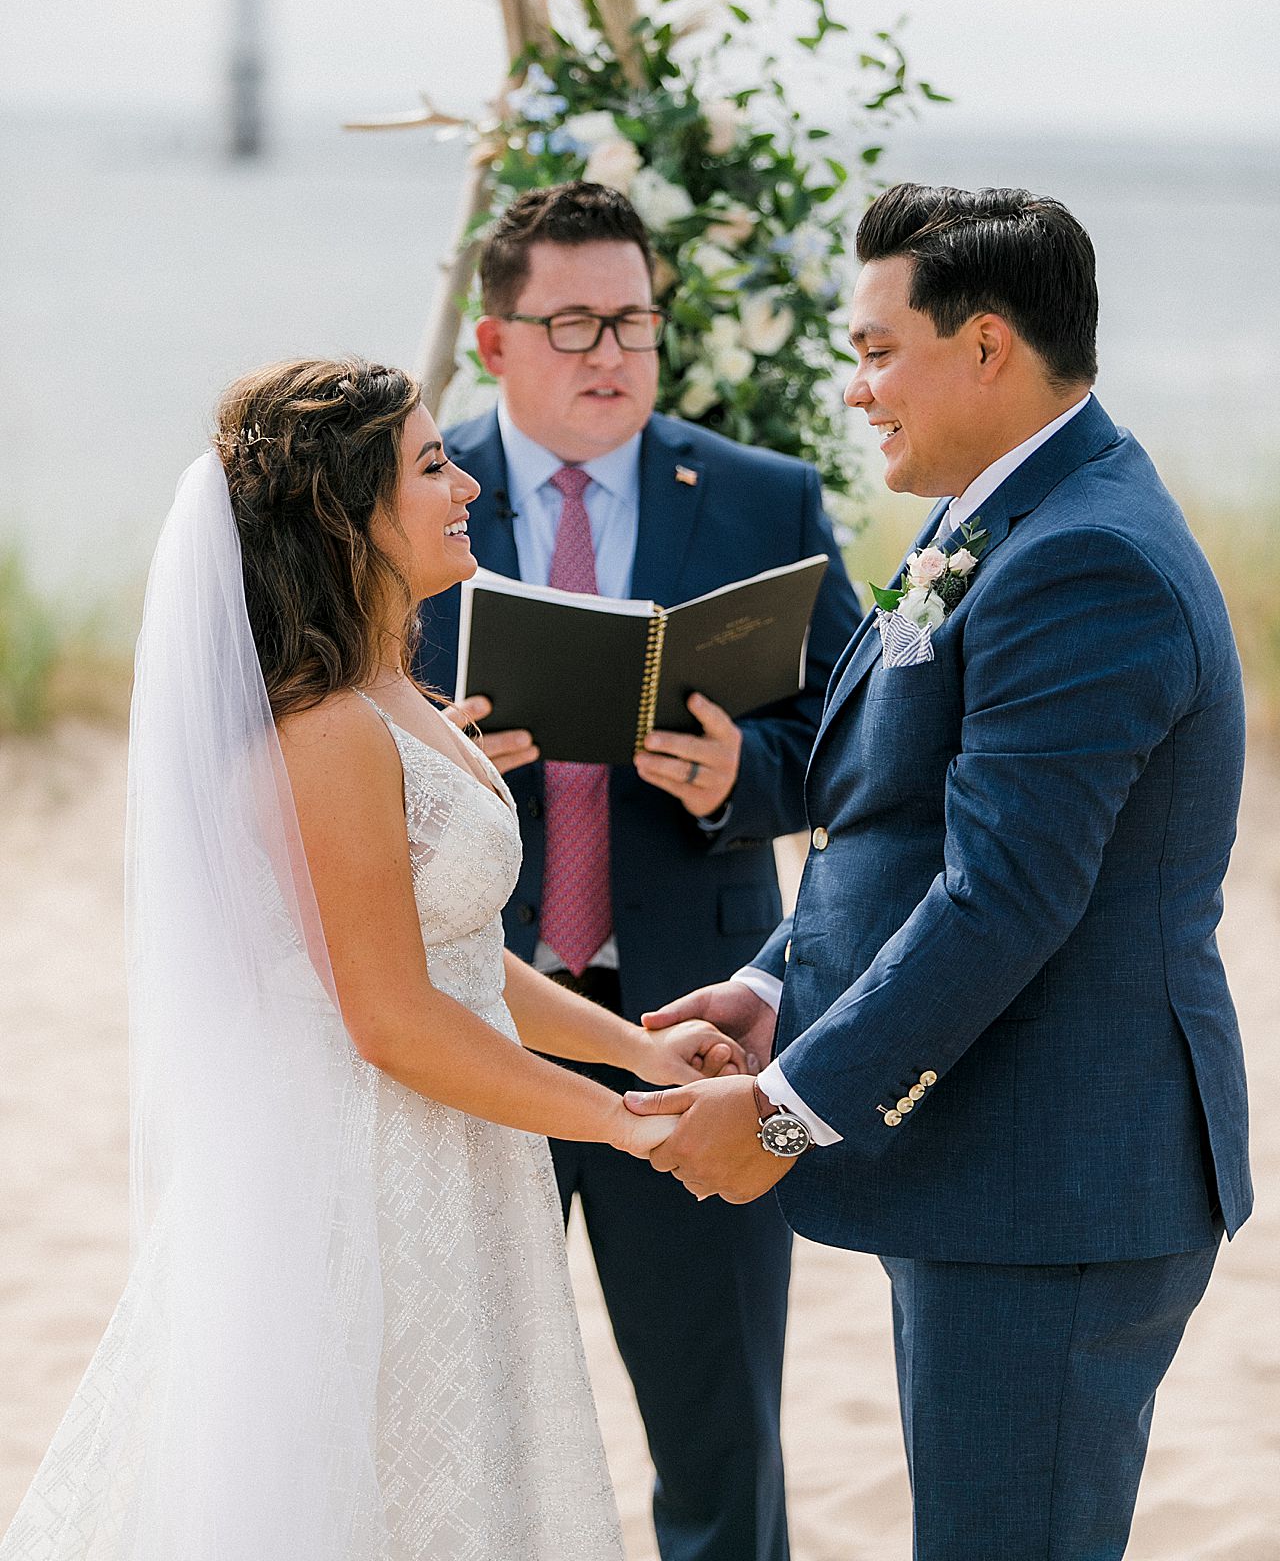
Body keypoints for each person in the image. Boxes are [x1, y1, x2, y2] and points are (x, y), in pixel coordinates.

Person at [0, 356, 751, 1561]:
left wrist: (634, 1046)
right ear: (347, 517)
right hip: (369, 1163)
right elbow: (391, 1017)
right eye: (429, 465)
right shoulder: (324, 727)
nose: (463, 484)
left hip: (456, 1144)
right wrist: (626, 1124)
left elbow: (449, 948)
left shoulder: (390, 685)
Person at [634, 184, 1252, 1560]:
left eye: (874, 350)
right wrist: (772, 986)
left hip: (1057, 1183)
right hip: (986, 1159)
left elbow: (1004, 896)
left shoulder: (1087, 557)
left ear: (985, 347)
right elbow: (893, 823)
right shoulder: (996, 513)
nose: (855, 390)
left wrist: (786, 1112)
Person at [415, 181, 862, 1561]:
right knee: (456, 1427)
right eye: (572, 322)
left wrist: (752, 779)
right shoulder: (417, 505)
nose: (610, 351)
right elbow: (327, 733)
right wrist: (439, 749)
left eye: (635, 321)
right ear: (493, 343)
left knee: (720, 1437)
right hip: (470, 1026)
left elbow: (864, 736)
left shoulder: (763, 496)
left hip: (692, 1031)